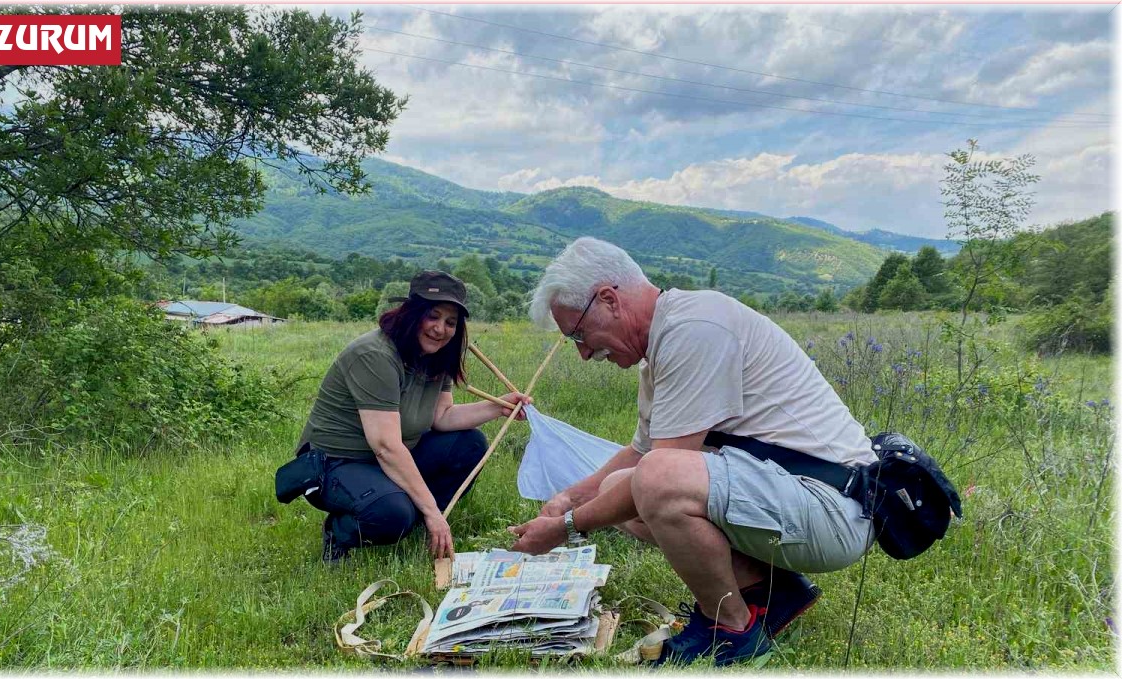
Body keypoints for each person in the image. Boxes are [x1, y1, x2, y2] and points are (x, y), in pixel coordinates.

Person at [508, 238, 877, 667]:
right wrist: (568, 499)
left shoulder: (696, 327)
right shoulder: (664, 342)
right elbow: (638, 454)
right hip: (795, 497)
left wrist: (567, 528)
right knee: (619, 485)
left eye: (579, 334)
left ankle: (732, 629)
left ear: (609, 299)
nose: (585, 353)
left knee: (656, 481)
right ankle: (770, 590)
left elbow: (660, 474)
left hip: (833, 510)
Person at [296, 270, 530, 562]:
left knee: (469, 444)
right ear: (410, 312)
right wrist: (432, 509)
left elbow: (442, 417)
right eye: (432, 316)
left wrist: (499, 407)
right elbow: (385, 446)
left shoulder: (436, 356)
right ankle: (340, 531)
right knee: (391, 514)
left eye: (450, 323)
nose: (440, 329)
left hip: (383, 460)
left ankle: (418, 524)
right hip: (333, 464)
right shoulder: (375, 355)